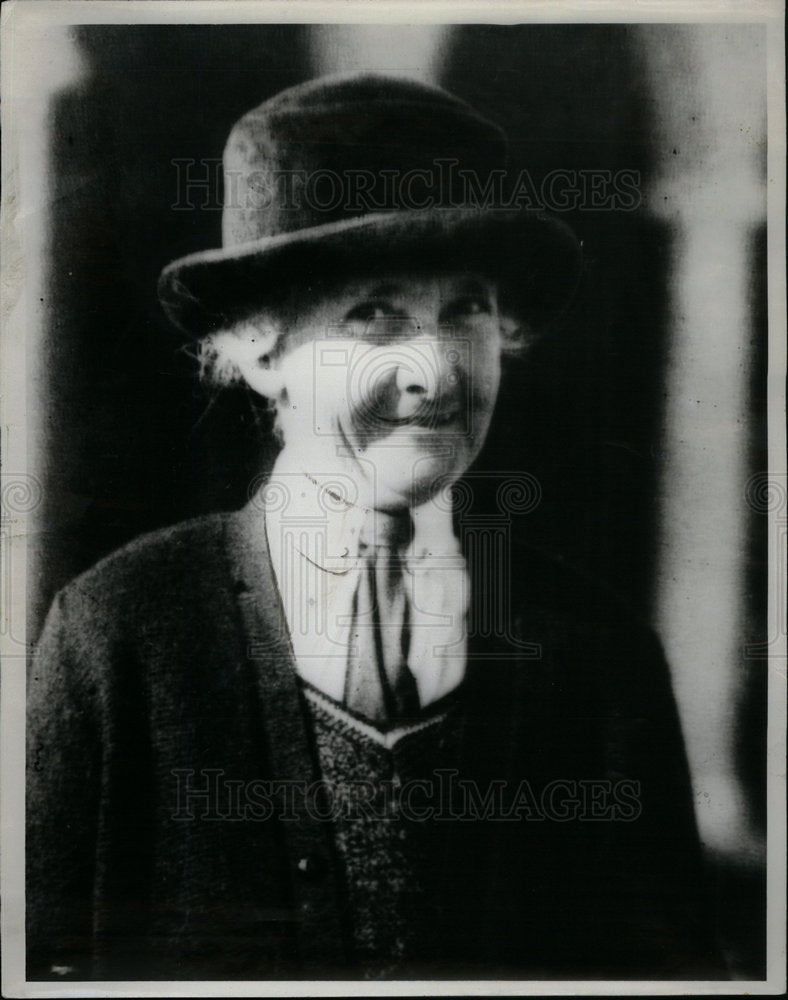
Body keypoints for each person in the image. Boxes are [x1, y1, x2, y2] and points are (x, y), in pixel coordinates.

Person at [27, 72, 722, 981]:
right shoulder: (116, 636)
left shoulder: (600, 661)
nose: (435, 371)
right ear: (262, 346)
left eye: (466, 309)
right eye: (376, 316)